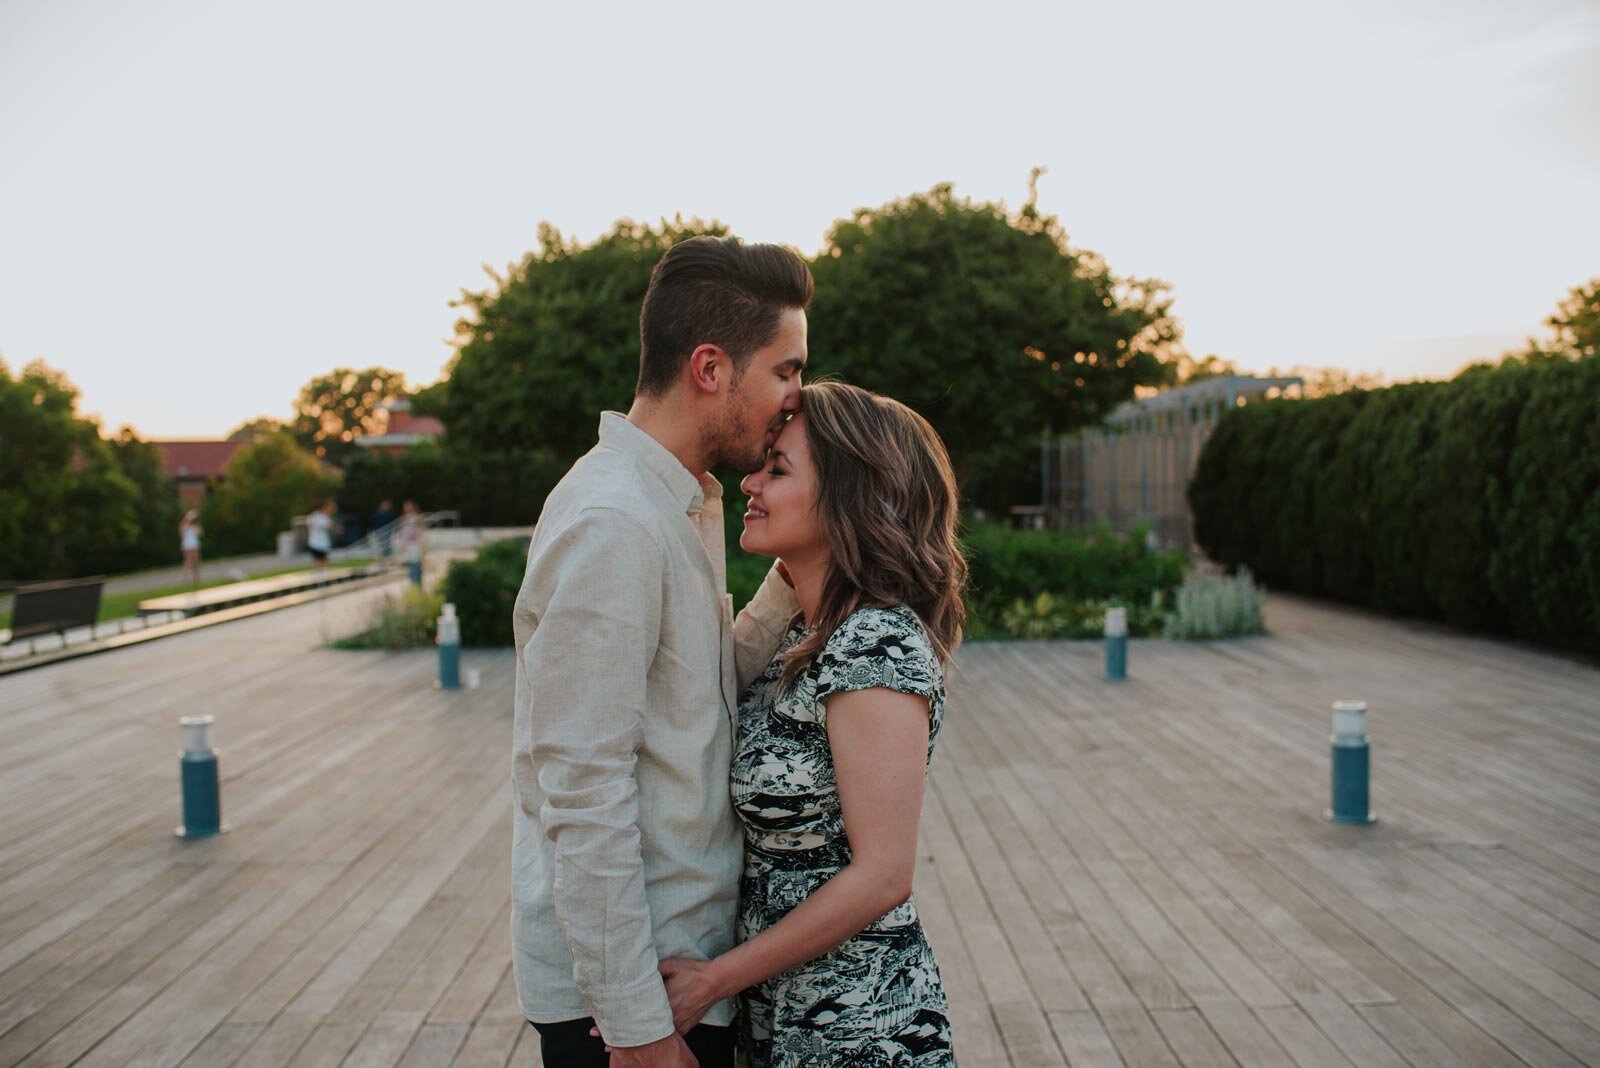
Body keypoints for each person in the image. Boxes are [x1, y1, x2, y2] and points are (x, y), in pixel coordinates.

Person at [512, 235, 813, 1068]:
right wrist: (641, 1029)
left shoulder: (671, 503)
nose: (798, 395)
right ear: (712, 369)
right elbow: (582, 787)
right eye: (786, 370)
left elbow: (696, 691)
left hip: (679, 980)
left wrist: (799, 574)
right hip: (632, 1010)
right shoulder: (614, 523)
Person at [651, 382, 967, 1066]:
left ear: (849, 497)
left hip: (859, 1029)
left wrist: (715, 980)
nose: (749, 483)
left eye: (778, 469)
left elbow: (884, 874)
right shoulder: (805, 636)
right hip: (777, 1018)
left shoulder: (874, 645)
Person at [306, 500, 335, 572]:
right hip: (317, 543)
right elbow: (329, 526)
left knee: (323, 562)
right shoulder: (316, 517)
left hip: (321, 543)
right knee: (320, 563)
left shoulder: (315, 517)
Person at [178, 510, 202, 586]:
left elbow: (200, 533)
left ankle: (196, 578)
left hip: (194, 545)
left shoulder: (194, 526)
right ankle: (187, 579)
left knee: (196, 562)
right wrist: (187, 520)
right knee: (187, 562)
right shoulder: (183, 525)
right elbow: (182, 532)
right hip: (187, 546)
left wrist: (195, 524)